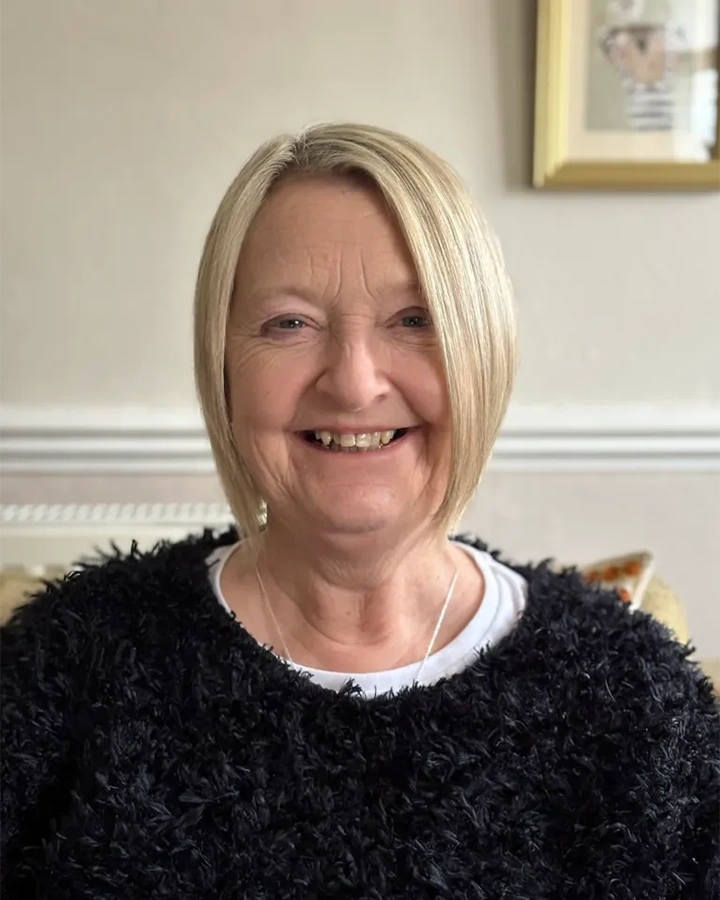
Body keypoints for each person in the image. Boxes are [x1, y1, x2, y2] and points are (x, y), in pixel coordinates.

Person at [1, 123, 718, 899]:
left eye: (415, 320)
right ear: (223, 365)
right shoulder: (66, 662)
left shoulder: (630, 694)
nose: (352, 382)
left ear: (483, 352)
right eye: (290, 323)